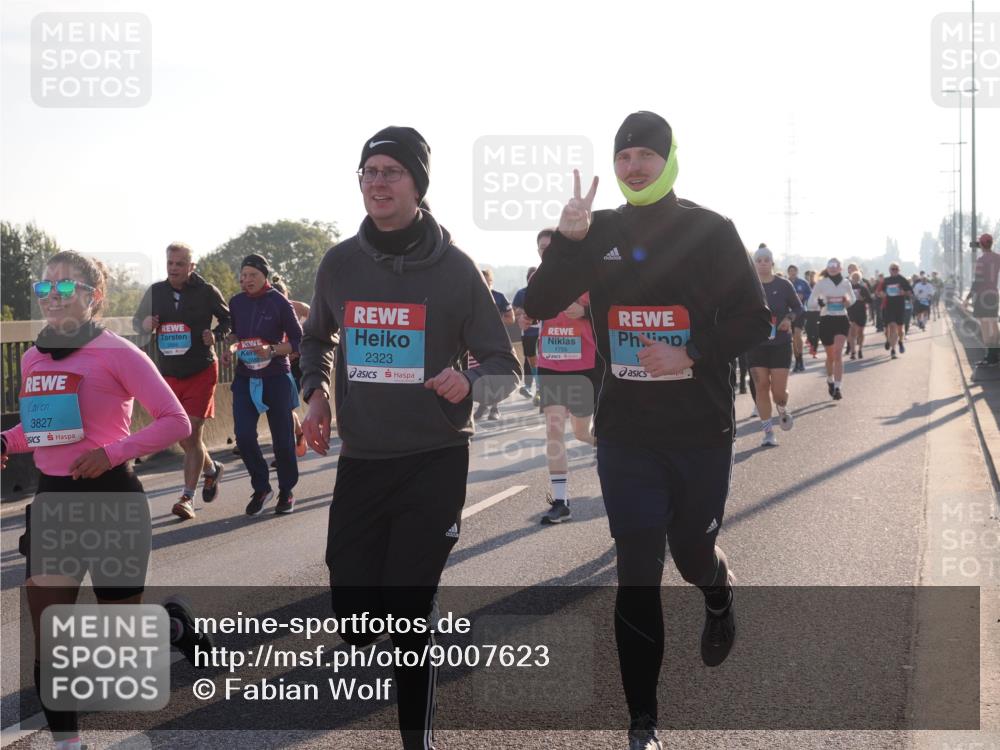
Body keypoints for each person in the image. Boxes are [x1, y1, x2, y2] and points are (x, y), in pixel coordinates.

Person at [524, 111, 770, 750]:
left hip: (701, 430)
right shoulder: (597, 231)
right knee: (637, 566)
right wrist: (571, 241)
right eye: (624, 156)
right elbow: (543, 304)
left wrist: (691, 352)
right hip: (628, 433)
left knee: (690, 555)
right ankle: (643, 724)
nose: (633, 166)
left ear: (669, 160)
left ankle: (717, 589)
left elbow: (755, 321)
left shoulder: (710, 230)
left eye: (645, 155)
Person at [298, 126, 520, 750]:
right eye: (368, 171)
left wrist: (467, 382)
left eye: (391, 171)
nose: (377, 181)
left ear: (418, 185)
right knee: (355, 621)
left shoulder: (454, 271)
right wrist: (314, 393)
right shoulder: (340, 263)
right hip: (363, 461)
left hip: (435, 461)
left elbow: (505, 366)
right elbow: (316, 338)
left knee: (406, 617)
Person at [2, 250, 210, 750]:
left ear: (93, 297)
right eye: (45, 285)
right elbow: (42, 428)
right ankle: (68, 744)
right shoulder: (34, 357)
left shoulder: (118, 353)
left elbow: (176, 421)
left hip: (112, 500)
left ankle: (173, 626)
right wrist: (6, 441)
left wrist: (111, 453)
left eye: (65, 286)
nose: (52, 295)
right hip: (53, 504)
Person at [132, 242, 231, 521]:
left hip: (201, 369)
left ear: (191, 266)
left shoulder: (207, 291)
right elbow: (136, 322)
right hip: (169, 372)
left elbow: (228, 320)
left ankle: (187, 497)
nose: (174, 268)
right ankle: (211, 470)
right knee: (182, 435)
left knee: (192, 430)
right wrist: (145, 324)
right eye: (170, 264)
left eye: (179, 264)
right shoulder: (156, 292)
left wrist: (217, 335)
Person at [222, 254, 303, 515]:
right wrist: (231, 348)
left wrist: (271, 351)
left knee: (282, 440)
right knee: (244, 436)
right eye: (243, 275)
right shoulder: (236, 302)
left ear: (264, 276)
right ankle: (261, 487)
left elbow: (298, 341)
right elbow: (235, 334)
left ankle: (286, 491)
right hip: (246, 377)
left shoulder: (279, 302)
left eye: (252, 275)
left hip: (276, 377)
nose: (246, 280)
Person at [533, 230, 598, 523]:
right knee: (554, 430)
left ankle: (606, 447)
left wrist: (584, 310)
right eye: (541, 248)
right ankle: (560, 502)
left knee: (582, 432)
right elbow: (533, 310)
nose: (546, 252)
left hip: (584, 365)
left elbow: (609, 310)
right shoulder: (538, 280)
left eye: (550, 247)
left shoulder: (587, 276)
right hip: (551, 365)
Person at [747, 246, 803, 446]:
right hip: (755, 344)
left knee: (779, 393)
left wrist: (789, 318)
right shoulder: (747, 285)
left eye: (766, 259)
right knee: (761, 386)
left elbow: (798, 307)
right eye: (759, 259)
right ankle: (768, 433)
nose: (762, 263)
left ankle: (781, 407)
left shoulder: (784, 284)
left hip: (780, 343)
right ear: (754, 263)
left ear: (772, 263)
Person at [269, 275, 310, 458]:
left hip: (299, 364)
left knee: (284, 407)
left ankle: (284, 454)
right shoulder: (267, 310)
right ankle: (298, 433)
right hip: (278, 363)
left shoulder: (301, 308)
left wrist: (301, 347)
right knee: (280, 407)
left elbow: (322, 327)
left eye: (283, 297)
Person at [807, 259, 855, 399]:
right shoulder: (821, 283)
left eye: (835, 266)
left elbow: (852, 299)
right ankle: (830, 379)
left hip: (841, 319)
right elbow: (811, 302)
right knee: (830, 356)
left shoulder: (846, 283)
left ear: (841, 268)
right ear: (827, 268)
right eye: (830, 266)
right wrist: (819, 303)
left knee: (838, 353)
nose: (833, 268)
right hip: (826, 320)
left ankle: (838, 387)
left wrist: (847, 302)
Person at [472, 268, 515, 421]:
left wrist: (494, 322)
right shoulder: (473, 296)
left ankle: (495, 408)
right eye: (480, 280)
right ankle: (483, 404)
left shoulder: (499, 297)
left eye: (486, 281)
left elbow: (511, 318)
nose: (483, 284)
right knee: (479, 374)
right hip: (476, 343)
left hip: (497, 342)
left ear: (491, 282)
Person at [965, 233, 1000, 367]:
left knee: (985, 327)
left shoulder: (981, 260)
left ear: (981, 245)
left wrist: (967, 298)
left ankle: (990, 356)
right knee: (994, 324)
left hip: (982, 296)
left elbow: (977, 282)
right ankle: (995, 354)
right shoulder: (997, 257)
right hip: (993, 295)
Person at [513, 264, 542, 403]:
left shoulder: (547, 292)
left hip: (543, 332)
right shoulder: (521, 293)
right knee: (531, 361)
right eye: (532, 278)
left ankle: (539, 390)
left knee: (541, 360)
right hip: (528, 332)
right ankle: (531, 387)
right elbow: (513, 311)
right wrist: (522, 312)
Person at [876, 262, 912, 359]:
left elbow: (910, 292)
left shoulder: (902, 279)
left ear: (899, 270)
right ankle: (893, 350)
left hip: (900, 307)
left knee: (900, 330)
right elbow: (878, 292)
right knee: (892, 327)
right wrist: (881, 294)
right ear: (889, 270)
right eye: (893, 269)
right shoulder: (886, 280)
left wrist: (904, 292)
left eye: (896, 269)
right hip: (889, 307)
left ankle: (900, 341)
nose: (894, 270)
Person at [787, 264, 811, 372]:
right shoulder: (785, 283)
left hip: (801, 312)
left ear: (797, 271)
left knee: (797, 334)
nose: (792, 272)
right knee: (792, 338)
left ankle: (801, 360)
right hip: (789, 314)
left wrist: (803, 296)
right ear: (788, 272)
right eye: (790, 271)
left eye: (794, 270)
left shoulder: (802, 283)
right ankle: (797, 361)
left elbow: (810, 294)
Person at [847, 270, 872, 359]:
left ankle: (860, 349)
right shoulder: (848, 288)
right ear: (851, 278)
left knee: (860, 332)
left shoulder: (863, 288)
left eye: (857, 278)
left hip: (861, 312)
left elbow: (870, 300)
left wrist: (863, 299)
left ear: (859, 279)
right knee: (852, 331)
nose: (855, 279)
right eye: (854, 278)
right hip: (851, 311)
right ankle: (853, 352)